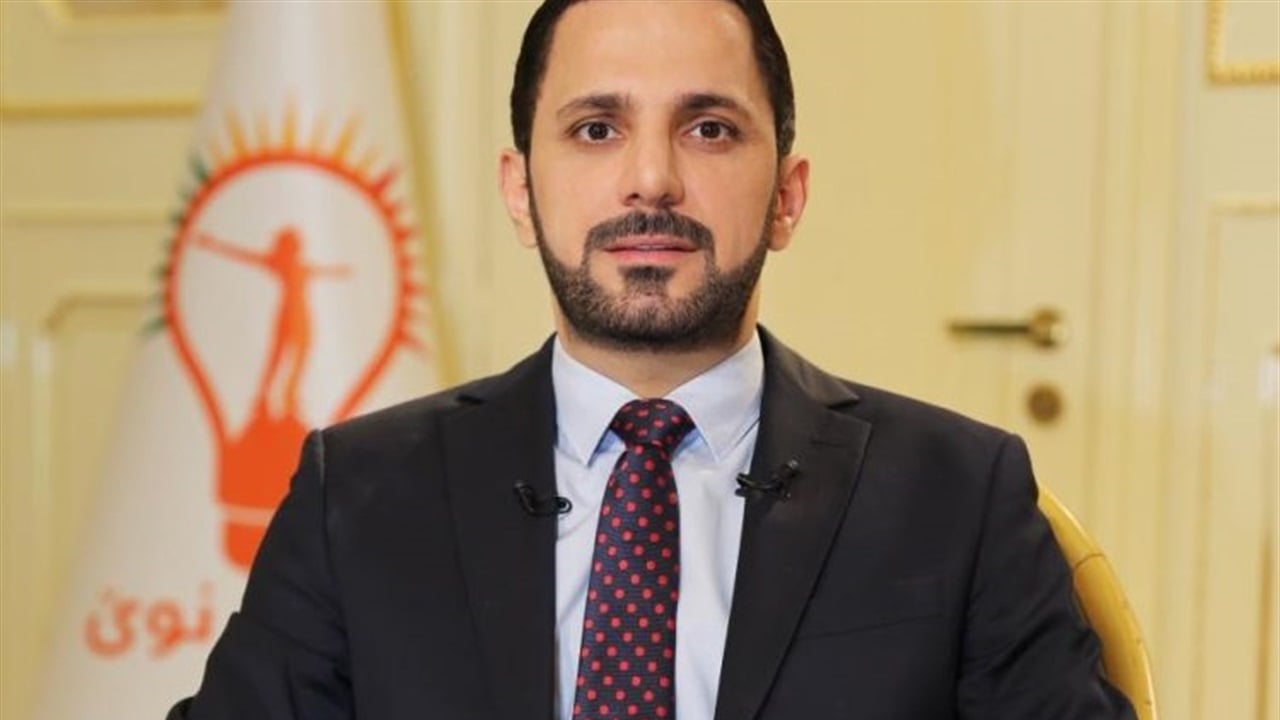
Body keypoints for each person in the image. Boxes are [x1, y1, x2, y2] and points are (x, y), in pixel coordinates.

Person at [169, 1, 1136, 718]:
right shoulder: (356, 495)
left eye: (708, 129)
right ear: (520, 191)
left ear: (787, 196)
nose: (650, 179)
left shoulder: (959, 495)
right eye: (597, 129)